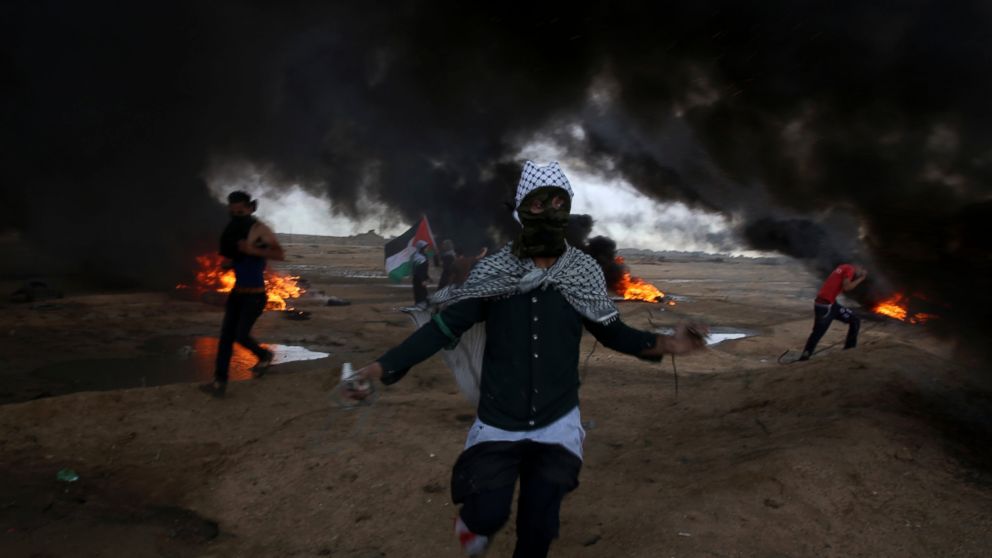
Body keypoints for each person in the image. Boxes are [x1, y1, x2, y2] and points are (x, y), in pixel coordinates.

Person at [347, 161, 707, 557]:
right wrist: (380, 368)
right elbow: (443, 328)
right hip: (499, 421)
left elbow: (614, 333)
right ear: (521, 210)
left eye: (559, 203)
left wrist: (669, 344)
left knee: (538, 530)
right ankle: (474, 526)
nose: (550, 212)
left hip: (557, 423)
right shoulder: (493, 271)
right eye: (538, 203)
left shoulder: (583, 272)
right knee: (487, 513)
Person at [200, 191, 285, 397]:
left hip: (255, 297)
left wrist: (251, 250)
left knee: (241, 335)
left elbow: (278, 253)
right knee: (225, 338)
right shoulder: (233, 231)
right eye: (233, 212)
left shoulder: (259, 230)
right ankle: (219, 382)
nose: (236, 215)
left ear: (250, 208)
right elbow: (239, 256)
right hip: (237, 294)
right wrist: (231, 263)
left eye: (240, 211)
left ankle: (264, 354)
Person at [799, 263, 867, 361]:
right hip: (825, 306)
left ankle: (849, 350)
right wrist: (861, 278)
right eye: (862, 269)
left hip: (829, 303)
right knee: (818, 332)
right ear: (858, 266)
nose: (861, 272)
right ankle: (805, 355)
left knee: (855, 320)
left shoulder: (843, 267)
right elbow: (847, 287)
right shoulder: (850, 269)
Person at [412, 239, 431, 308]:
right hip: (418, 279)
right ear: (421, 248)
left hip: (421, 279)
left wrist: (427, 277)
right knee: (420, 294)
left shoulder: (424, 256)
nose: (427, 249)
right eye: (425, 247)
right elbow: (419, 271)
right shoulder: (418, 258)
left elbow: (424, 269)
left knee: (423, 294)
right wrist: (422, 280)